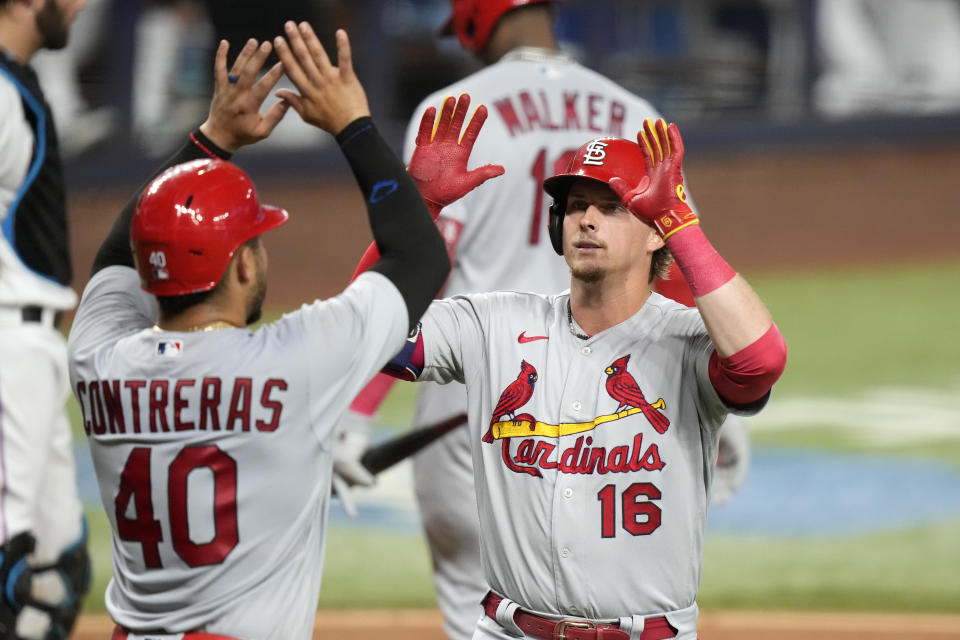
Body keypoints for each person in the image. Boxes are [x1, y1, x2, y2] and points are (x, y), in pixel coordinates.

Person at [66, 23, 500, 639]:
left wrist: (212, 136)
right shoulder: (292, 364)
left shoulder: (97, 362)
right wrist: (355, 126)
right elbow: (421, 260)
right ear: (243, 263)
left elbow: (118, 250)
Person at [340, 2, 749, 637]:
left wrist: (355, 411)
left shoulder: (454, 109)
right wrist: (715, 396)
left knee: (483, 603)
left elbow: (423, 263)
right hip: (627, 374)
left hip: (477, 394)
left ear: (476, 20)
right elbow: (676, 251)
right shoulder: (636, 114)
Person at [0, 0, 91, 637]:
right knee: (9, 572)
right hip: (6, 346)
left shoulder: (18, 83)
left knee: (57, 576)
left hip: (34, 353)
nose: (82, 5)